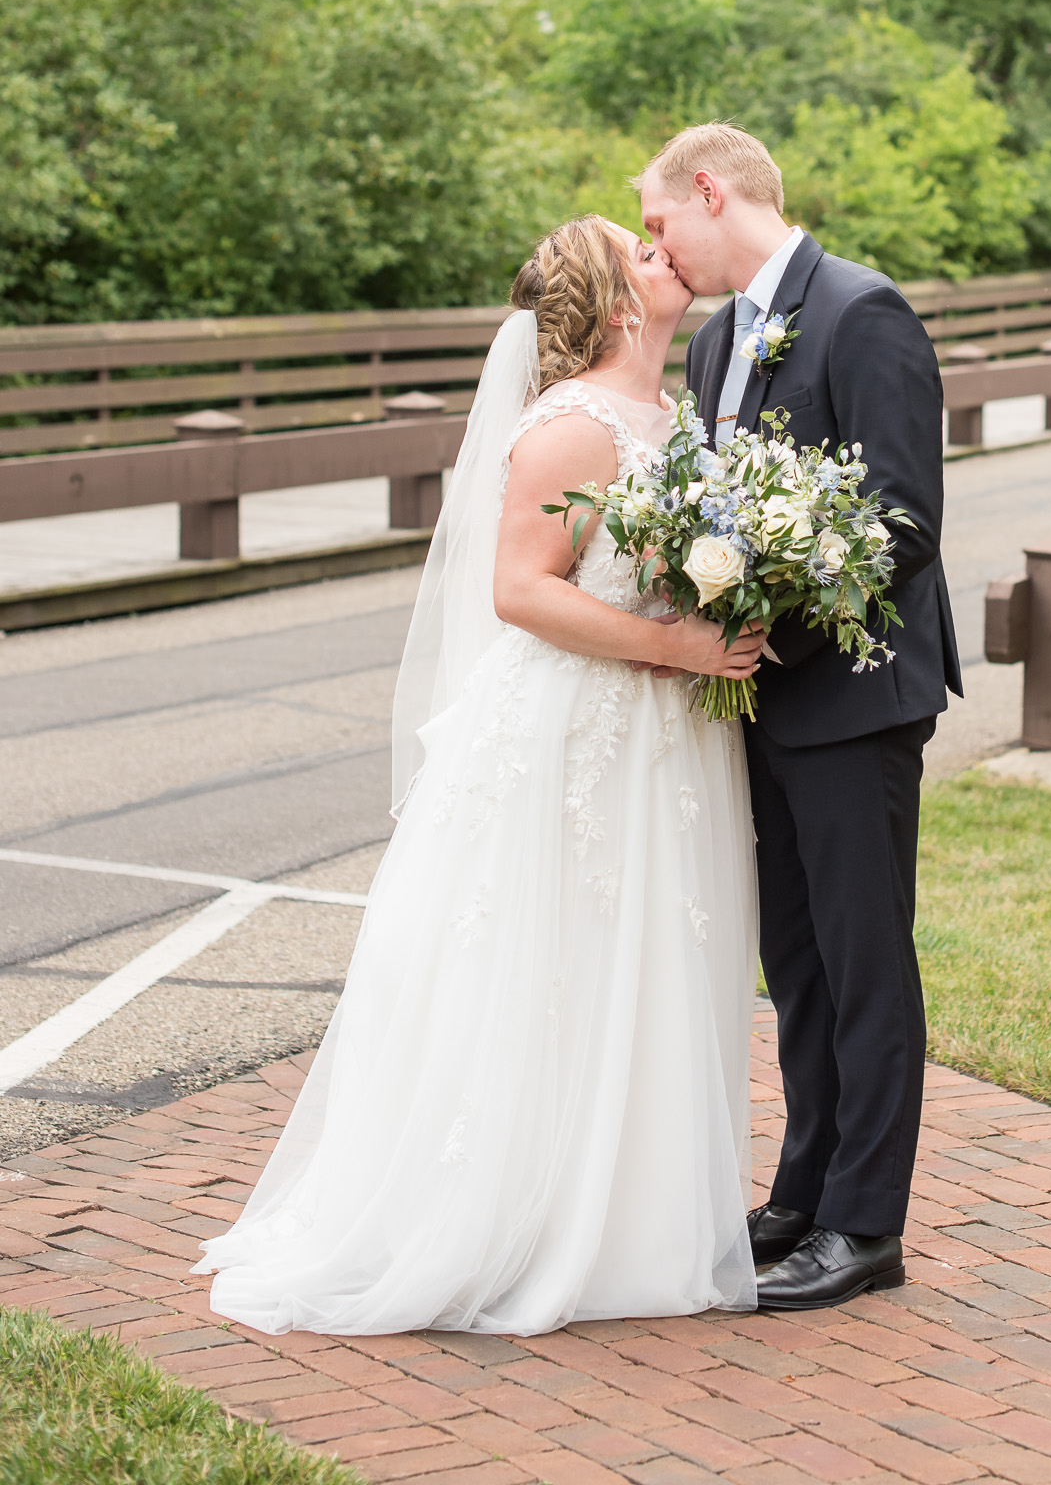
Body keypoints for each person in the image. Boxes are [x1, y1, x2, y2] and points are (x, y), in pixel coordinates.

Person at [195, 216, 763, 1336]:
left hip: (662, 732)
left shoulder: (675, 413)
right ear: (611, 305)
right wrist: (678, 646)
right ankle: (515, 1216)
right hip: (576, 725)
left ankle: (629, 1219)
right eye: (637, 253)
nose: (664, 257)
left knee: (644, 953)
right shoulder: (569, 424)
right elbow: (519, 589)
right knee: (550, 957)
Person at [638, 123, 961, 1312]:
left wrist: (773, 611)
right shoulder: (720, 336)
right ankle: (805, 1187)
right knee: (800, 965)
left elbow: (900, 519)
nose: (654, 244)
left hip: (851, 698)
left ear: (710, 190)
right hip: (757, 702)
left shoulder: (862, 311)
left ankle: (866, 1226)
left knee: (865, 960)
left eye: (660, 218)